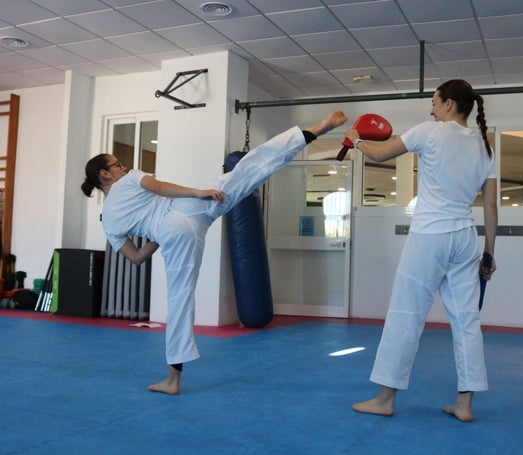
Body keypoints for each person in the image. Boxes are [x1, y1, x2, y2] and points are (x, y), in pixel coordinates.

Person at [81, 110, 348, 395]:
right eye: (117, 164)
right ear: (105, 174)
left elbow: (136, 257)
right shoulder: (130, 179)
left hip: (171, 234)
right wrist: (198, 191)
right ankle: (320, 126)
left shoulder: (108, 221)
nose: (124, 167)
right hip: (186, 208)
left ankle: (172, 380)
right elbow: (161, 188)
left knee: (180, 300)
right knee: (249, 170)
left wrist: (162, 234)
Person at [347, 79, 497, 421]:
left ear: (448, 104)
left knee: (406, 312)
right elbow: (491, 205)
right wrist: (489, 252)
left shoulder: (430, 131)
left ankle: (385, 399)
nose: (430, 108)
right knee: (467, 320)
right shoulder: (484, 145)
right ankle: (465, 404)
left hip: (430, 235)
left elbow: (381, 152)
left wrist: (355, 139)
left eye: (434, 101)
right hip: (465, 238)